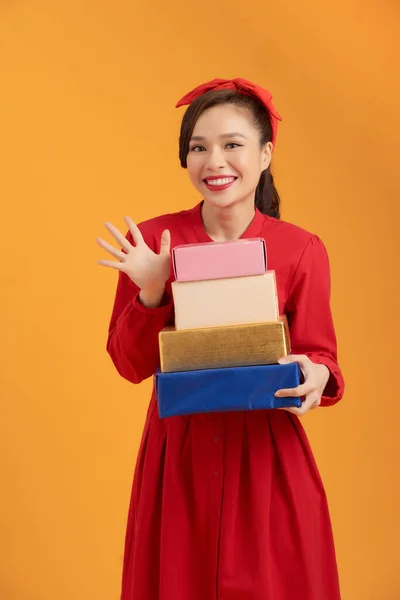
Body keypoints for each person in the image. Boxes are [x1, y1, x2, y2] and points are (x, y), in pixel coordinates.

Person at [96, 77, 345, 600]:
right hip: (179, 457)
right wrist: (153, 289)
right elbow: (128, 364)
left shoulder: (301, 250)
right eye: (198, 147)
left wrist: (315, 374)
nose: (215, 161)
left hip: (266, 458)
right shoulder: (151, 241)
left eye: (232, 144)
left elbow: (321, 355)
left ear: (265, 153)